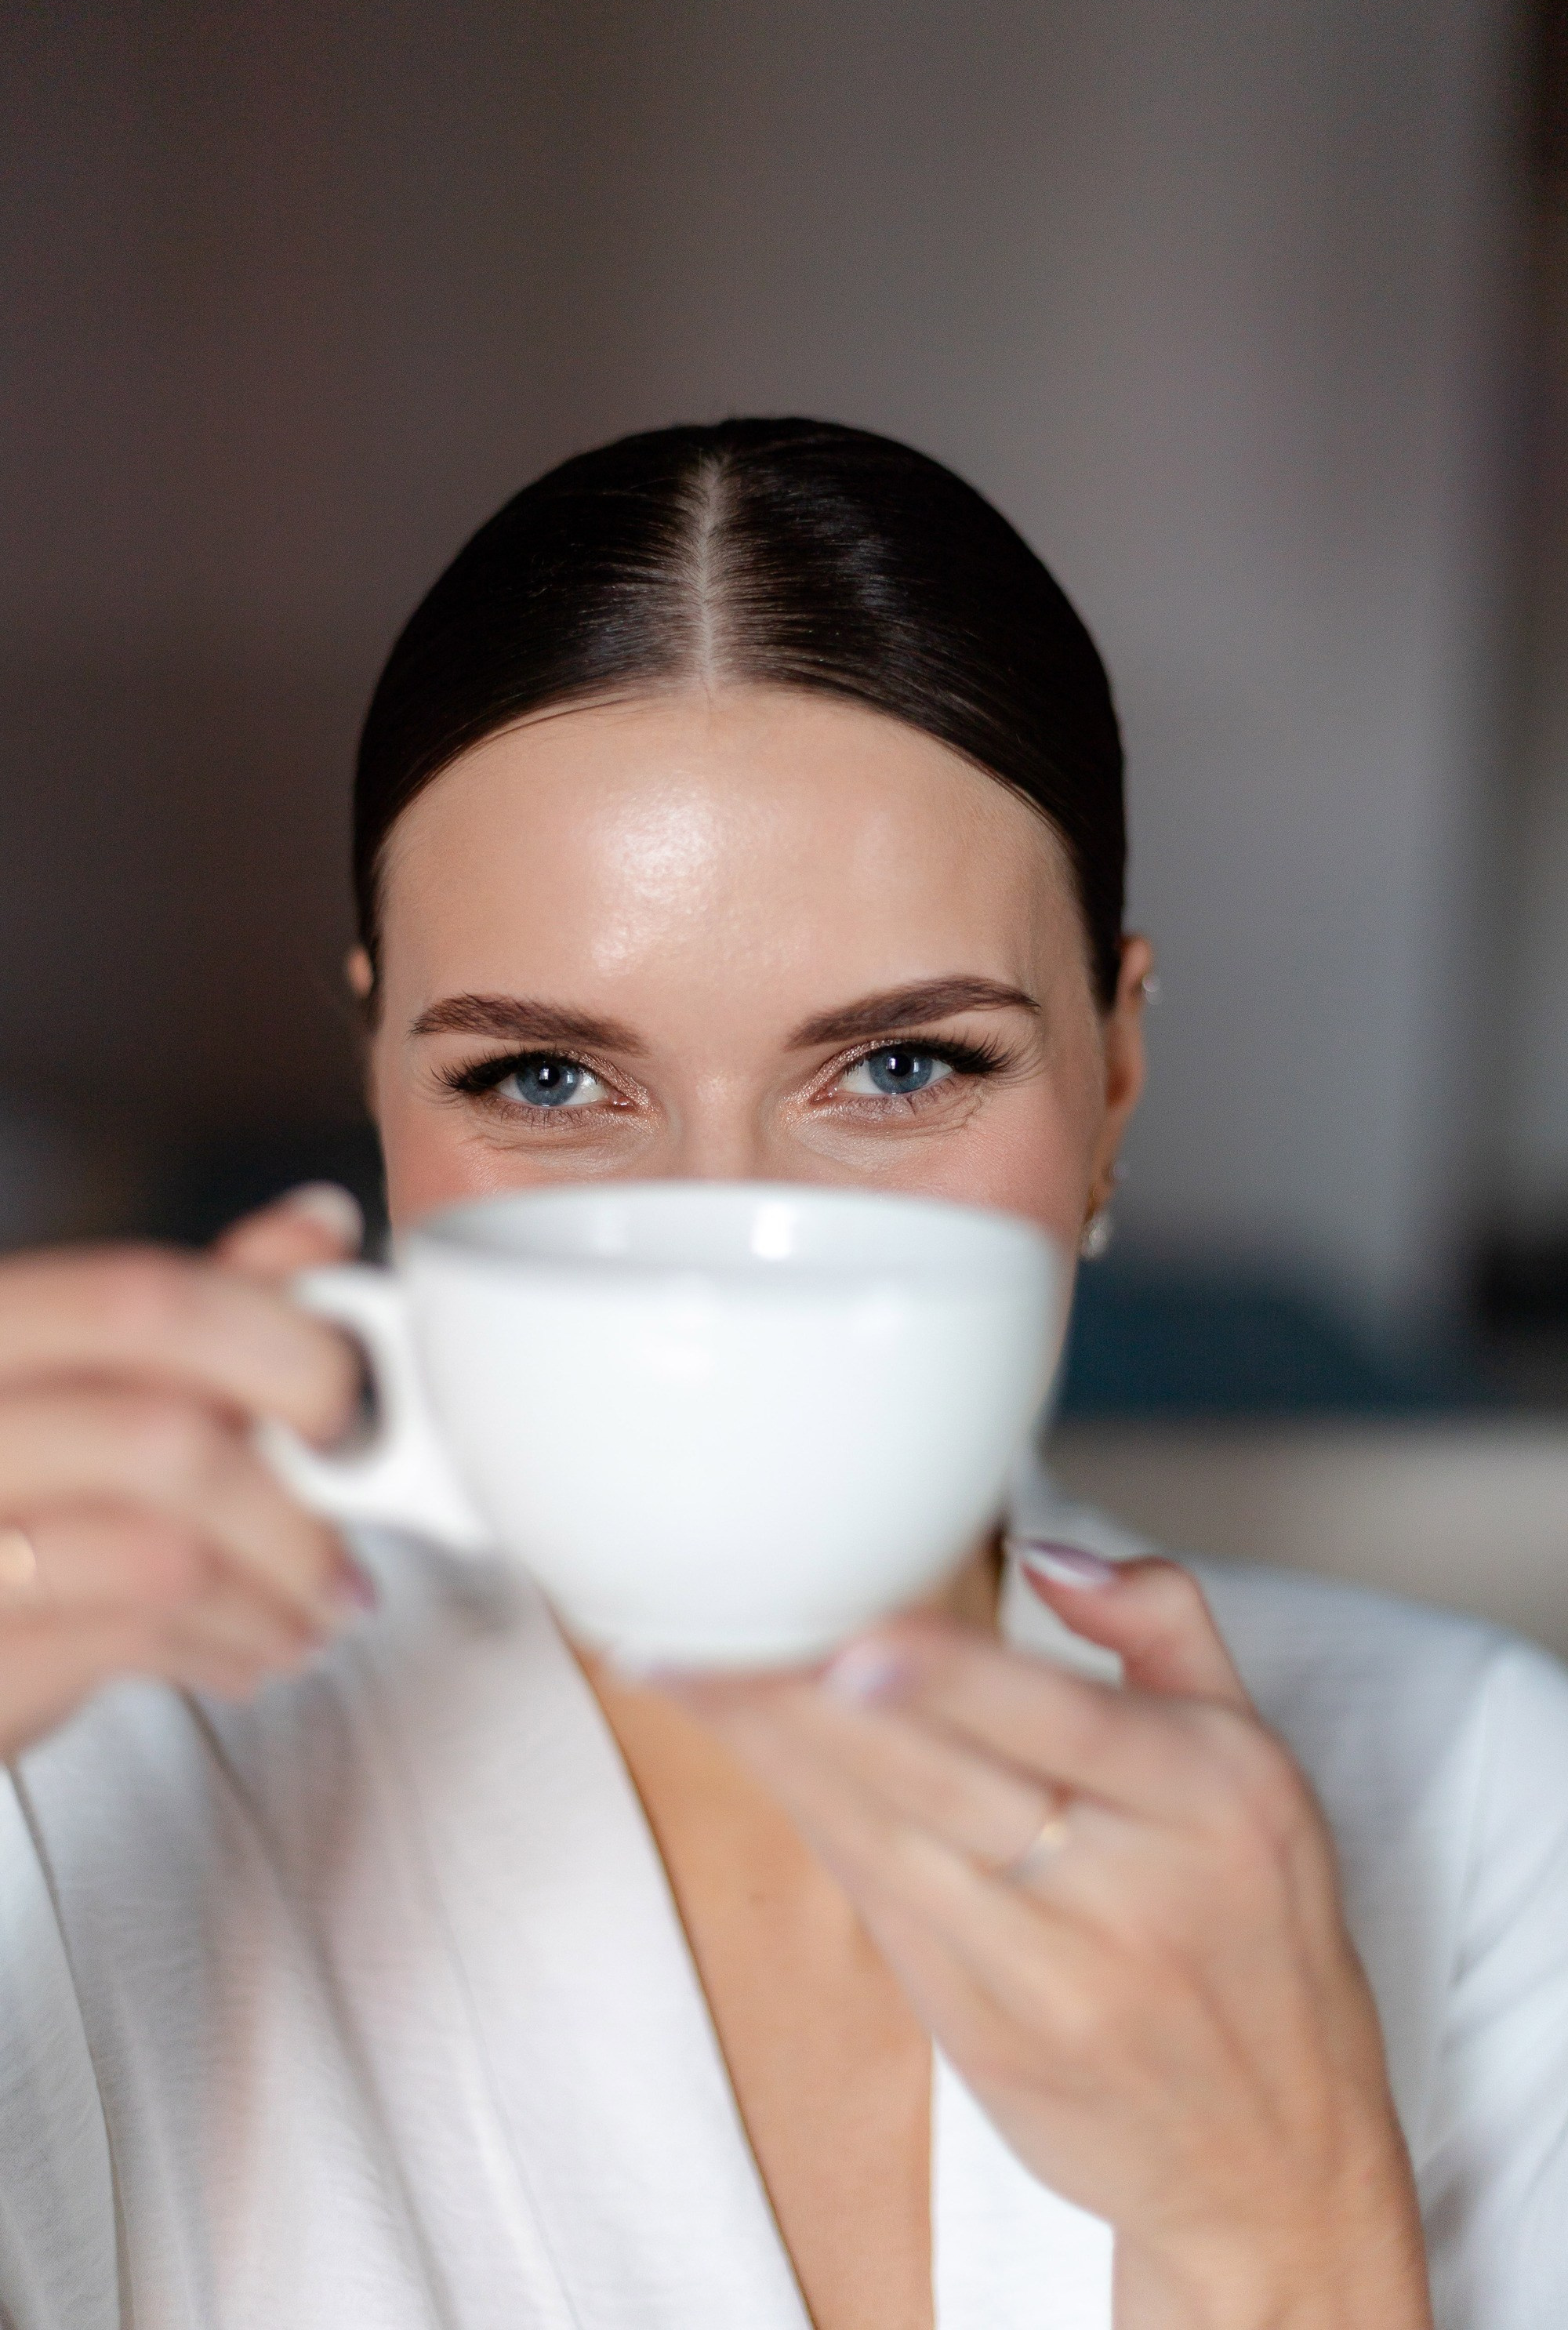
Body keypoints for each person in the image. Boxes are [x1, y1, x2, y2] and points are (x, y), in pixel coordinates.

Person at [0, 421, 1563, 2330]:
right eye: (542, 1079)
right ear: (379, 1079)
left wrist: (1279, 2227)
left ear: (1111, 1087)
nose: (717, 1234)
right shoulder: (74, 1790)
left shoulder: (1478, 1802)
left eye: (903, 1067)